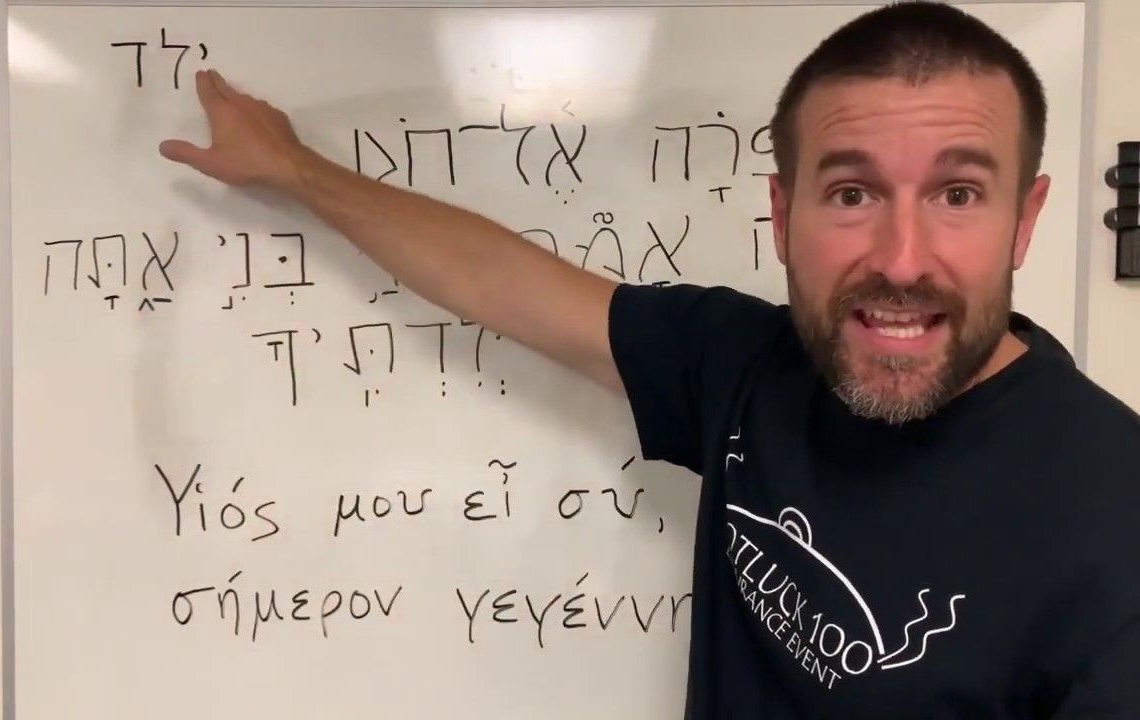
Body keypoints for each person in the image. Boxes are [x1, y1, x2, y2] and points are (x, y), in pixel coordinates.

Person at [159, 1, 1140, 717]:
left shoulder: (1112, 518)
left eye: (957, 195)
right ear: (781, 214)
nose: (901, 258)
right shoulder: (747, 367)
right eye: (851, 194)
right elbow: (500, 282)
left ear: (1024, 220)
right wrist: (292, 168)